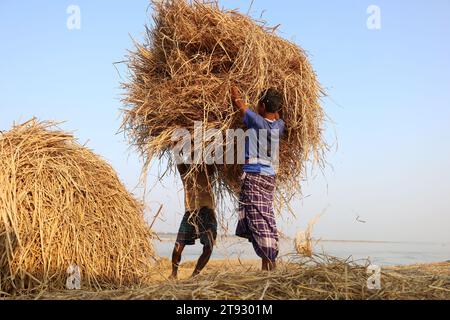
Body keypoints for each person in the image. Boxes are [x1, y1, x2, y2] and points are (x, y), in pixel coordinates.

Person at [230, 86, 286, 271]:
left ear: (262, 106)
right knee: (266, 218)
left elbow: (239, 105)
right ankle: (270, 270)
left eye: (260, 104)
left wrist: (234, 91)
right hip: (269, 179)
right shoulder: (280, 126)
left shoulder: (256, 121)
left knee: (260, 222)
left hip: (254, 177)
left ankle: (268, 270)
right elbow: (275, 117)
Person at [170, 163, 217, 279]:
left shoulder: (208, 169)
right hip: (190, 213)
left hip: (208, 210)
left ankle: (194, 275)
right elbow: (178, 157)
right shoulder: (185, 172)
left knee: (208, 246)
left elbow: (213, 163)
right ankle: (173, 273)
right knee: (178, 246)